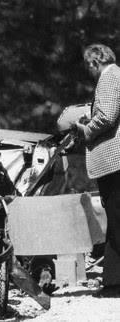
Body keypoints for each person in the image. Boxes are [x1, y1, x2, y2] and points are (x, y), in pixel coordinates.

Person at [74, 43, 120, 297]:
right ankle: (114, 283)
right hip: (115, 163)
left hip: (116, 161)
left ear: (94, 62)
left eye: (88, 66)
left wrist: (85, 129)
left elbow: (107, 116)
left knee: (117, 220)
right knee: (114, 221)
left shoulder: (110, 76)